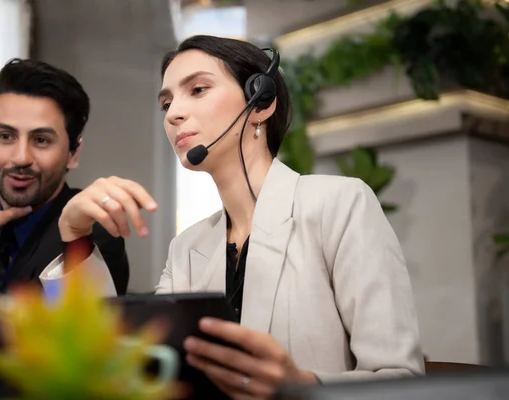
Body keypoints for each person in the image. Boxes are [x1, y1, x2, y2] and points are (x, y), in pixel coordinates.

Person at [51, 35, 425, 398]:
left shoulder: (339, 204)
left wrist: (300, 386)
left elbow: (401, 380)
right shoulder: (187, 248)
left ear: (260, 101)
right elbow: (115, 366)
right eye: (166, 104)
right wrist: (75, 232)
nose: (174, 114)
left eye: (197, 89)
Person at [0, 58, 129, 296]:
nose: (21, 158)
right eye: (6, 136)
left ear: (73, 153)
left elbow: (3, 331)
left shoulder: (88, 233)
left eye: (41, 140)